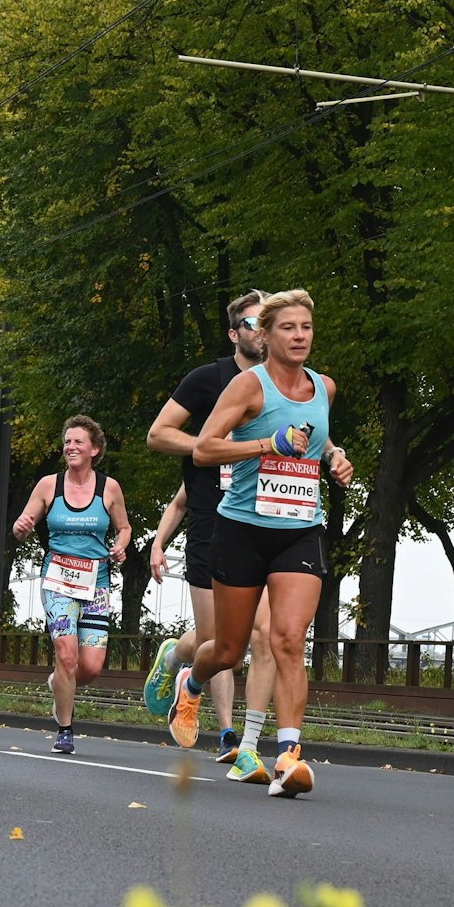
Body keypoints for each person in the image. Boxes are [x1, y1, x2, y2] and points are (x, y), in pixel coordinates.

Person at [167, 290, 355, 796]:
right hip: (241, 529)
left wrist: (335, 458)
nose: (299, 337)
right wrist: (265, 445)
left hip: (299, 528)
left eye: (307, 328)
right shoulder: (247, 386)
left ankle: (289, 757)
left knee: (289, 639)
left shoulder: (325, 387)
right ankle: (191, 684)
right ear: (266, 336)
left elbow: (319, 438)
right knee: (226, 650)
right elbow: (205, 448)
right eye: (288, 328)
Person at [144, 290, 265, 761]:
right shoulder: (207, 379)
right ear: (235, 334)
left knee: (256, 637)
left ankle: (235, 737)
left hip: (267, 522)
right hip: (213, 522)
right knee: (219, 641)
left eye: (267, 321)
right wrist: (210, 445)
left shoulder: (284, 387)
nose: (262, 329)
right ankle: (176, 658)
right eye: (253, 322)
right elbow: (158, 434)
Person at [12, 417, 132, 753]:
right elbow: (23, 526)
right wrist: (21, 528)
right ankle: (65, 729)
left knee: (90, 666)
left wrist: (120, 545)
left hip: (97, 583)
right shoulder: (49, 485)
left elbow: (124, 528)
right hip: (58, 580)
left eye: (78, 442)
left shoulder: (109, 488)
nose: (71, 447)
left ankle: (58, 685)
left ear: (94, 449)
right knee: (66, 654)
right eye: (67, 442)